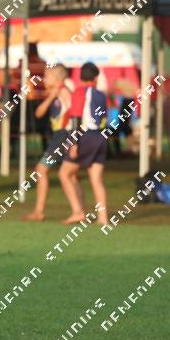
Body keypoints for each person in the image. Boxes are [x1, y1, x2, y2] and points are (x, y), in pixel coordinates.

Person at [58, 62, 109, 226]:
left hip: (85, 136)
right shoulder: (101, 95)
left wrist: (73, 143)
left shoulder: (79, 92)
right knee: (97, 180)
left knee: (64, 174)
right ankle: (103, 219)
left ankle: (78, 212)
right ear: (95, 78)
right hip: (100, 136)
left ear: (80, 77)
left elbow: (75, 117)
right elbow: (104, 118)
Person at [23, 63, 75, 222]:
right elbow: (39, 113)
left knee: (41, 169)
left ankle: (39, 211)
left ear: (57, 78)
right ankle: (79, 210)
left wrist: (74, 140)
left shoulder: (65, 92)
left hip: (64, 136)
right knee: (71, 176)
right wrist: (51, 97)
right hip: (58, 136)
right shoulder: (53, 93)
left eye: (47, 76)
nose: (44, 80)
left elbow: (74, 113)